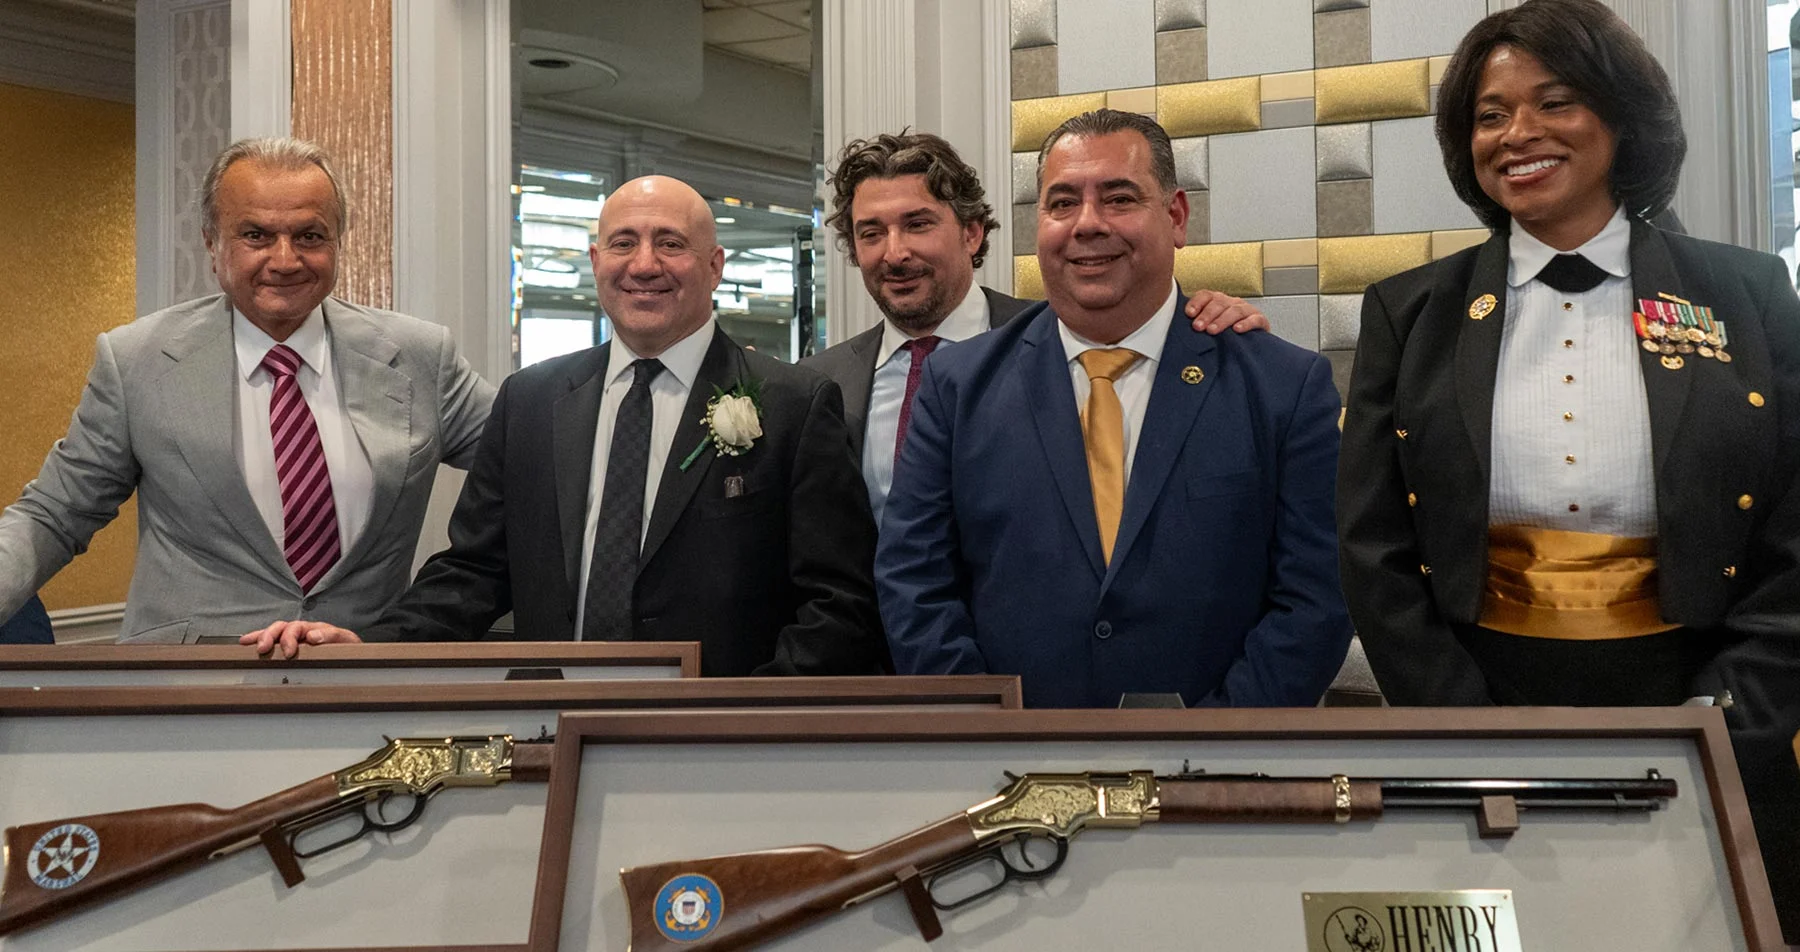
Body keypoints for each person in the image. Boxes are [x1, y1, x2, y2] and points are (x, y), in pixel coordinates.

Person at [1335, 0, 1799, 935]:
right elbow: (1371, 541)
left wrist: (1731, 716)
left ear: (1621, 118)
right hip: (1477, 699)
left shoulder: (1748, 294)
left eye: (1556, 101)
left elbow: (1793, 524)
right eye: (1491, 114)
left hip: (1706, 698)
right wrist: (1459, 723)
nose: (1520, 134)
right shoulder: (1409, 313)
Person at [246, 175, 886, 678]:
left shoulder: (794, 403)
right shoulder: (532, 401)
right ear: (595, 260)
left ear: (714, 266)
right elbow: (474, 570)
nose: (644, 264)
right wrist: (369, 643)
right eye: (622, 243)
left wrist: (752, 717)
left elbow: (838, 602)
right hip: (551, 722)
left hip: (718, 740)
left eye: (670, 243)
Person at [876, 109, 1352, 708]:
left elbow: (1316, 600)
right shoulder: (957, 386)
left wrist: (1212, 745)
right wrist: (989, 727)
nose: (1087, 224)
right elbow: (912, 584)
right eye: (1062, 203)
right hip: (1007, 767)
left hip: (1218, 776)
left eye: (1119, 198)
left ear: (1176, 217)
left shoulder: (1282, 386)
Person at [0, 137, 495, 643]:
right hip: (188, 688)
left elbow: (537, 463)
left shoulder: (420, 357)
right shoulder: (136, 362)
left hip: (362, 673)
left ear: (338, 241)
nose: (285, 260)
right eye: (256, 235)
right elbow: (55, 515)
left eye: (310, 236)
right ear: (213, 244)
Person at [806, 131, 1269, 521]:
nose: (894, 253)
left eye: (918, 225)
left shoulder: (1076, 345)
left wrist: (1201, 326)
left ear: (972, 233)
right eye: (871, 233)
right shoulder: (820, 385)